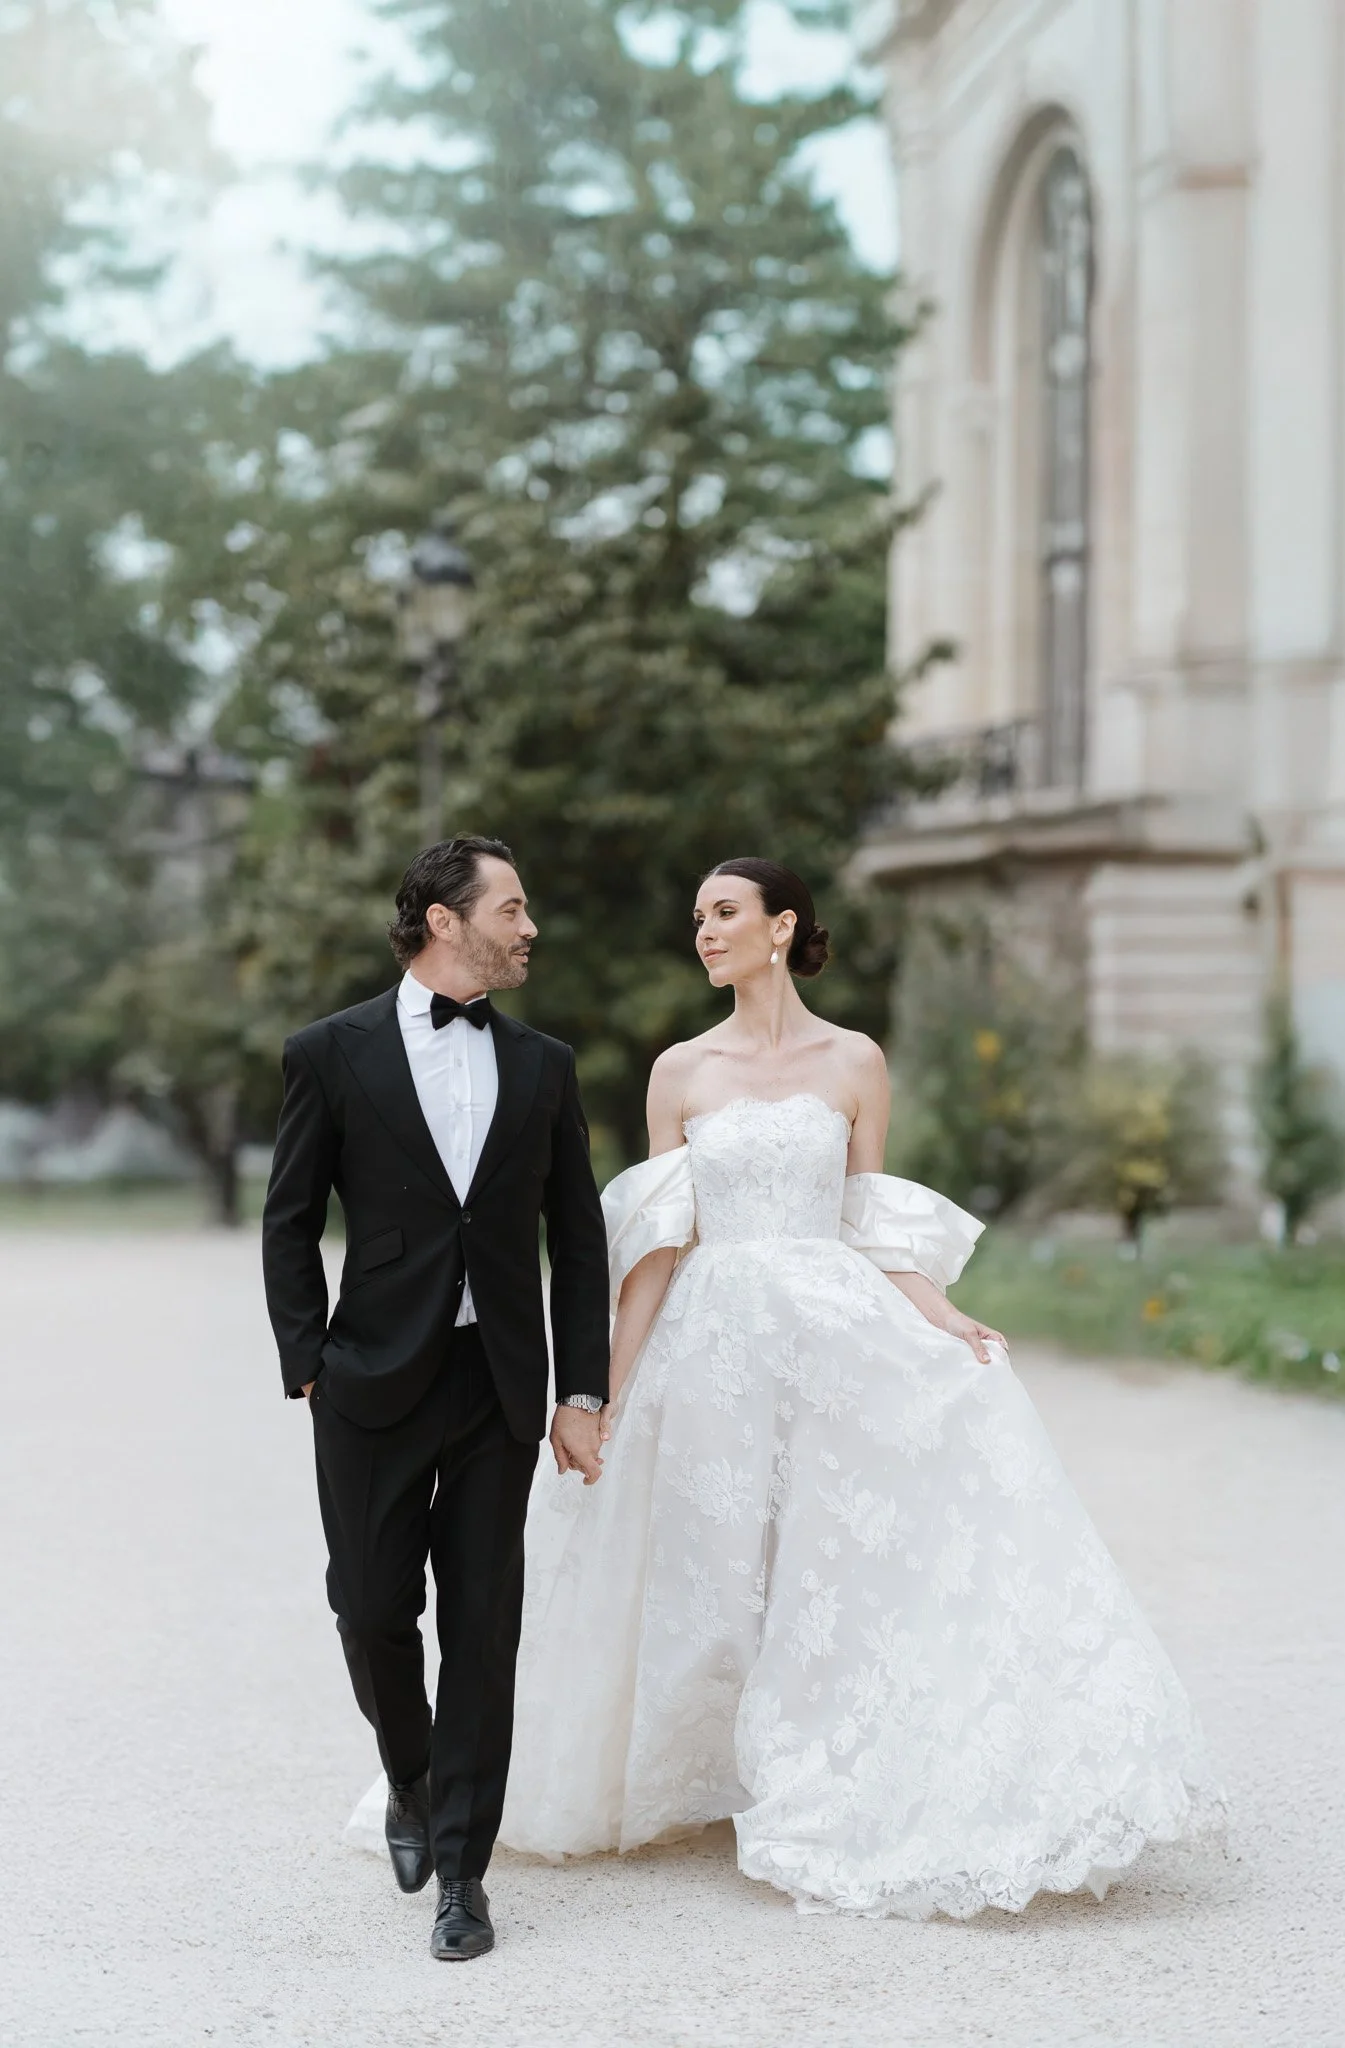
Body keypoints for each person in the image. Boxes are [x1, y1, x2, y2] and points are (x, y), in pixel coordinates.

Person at [497, 857, 1223, 1918]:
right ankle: (700, 1762)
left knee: (836, 1548)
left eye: (725, 912)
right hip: (715, 1335)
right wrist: (599, 1389)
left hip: (831, 1323)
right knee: (711, 1552)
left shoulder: (854, 1060)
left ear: (782, 925)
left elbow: (873, 1225)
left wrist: (944, 1316)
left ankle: (825, 1758)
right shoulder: (679, 1072)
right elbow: (658, 1246)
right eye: (695, 915)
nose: (703, 931)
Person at [262, 836, 610, 1961]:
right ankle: (408, 1773)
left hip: (497, 1381)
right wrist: (308, 1355)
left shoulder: (546, 1066)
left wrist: (581, 1386)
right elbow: (290, 1216)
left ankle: (464, 1871)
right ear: (445, 920)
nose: (530, 927)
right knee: (369, 1608)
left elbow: (580, 1235)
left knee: (483, 1626)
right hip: (370, 1374)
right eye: (512, 907)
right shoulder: (330, 1052)